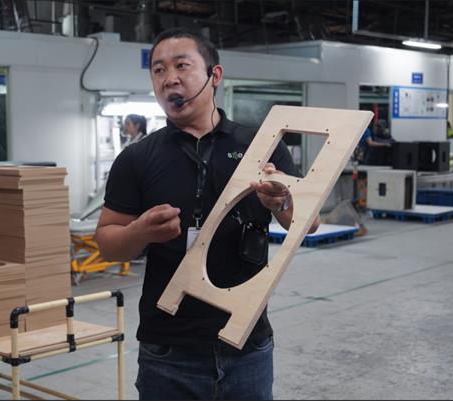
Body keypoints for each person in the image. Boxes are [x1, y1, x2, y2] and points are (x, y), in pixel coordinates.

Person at [95, 28, 320, 400]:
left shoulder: (260, 146)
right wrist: (140, 232)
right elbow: (107, 243)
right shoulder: (136, 158)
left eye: (181, 66)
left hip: (247, 343)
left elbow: (308, 223)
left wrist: (280, 202)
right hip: (168, 350)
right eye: (158, 70)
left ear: (215, 75)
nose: (169, 79)